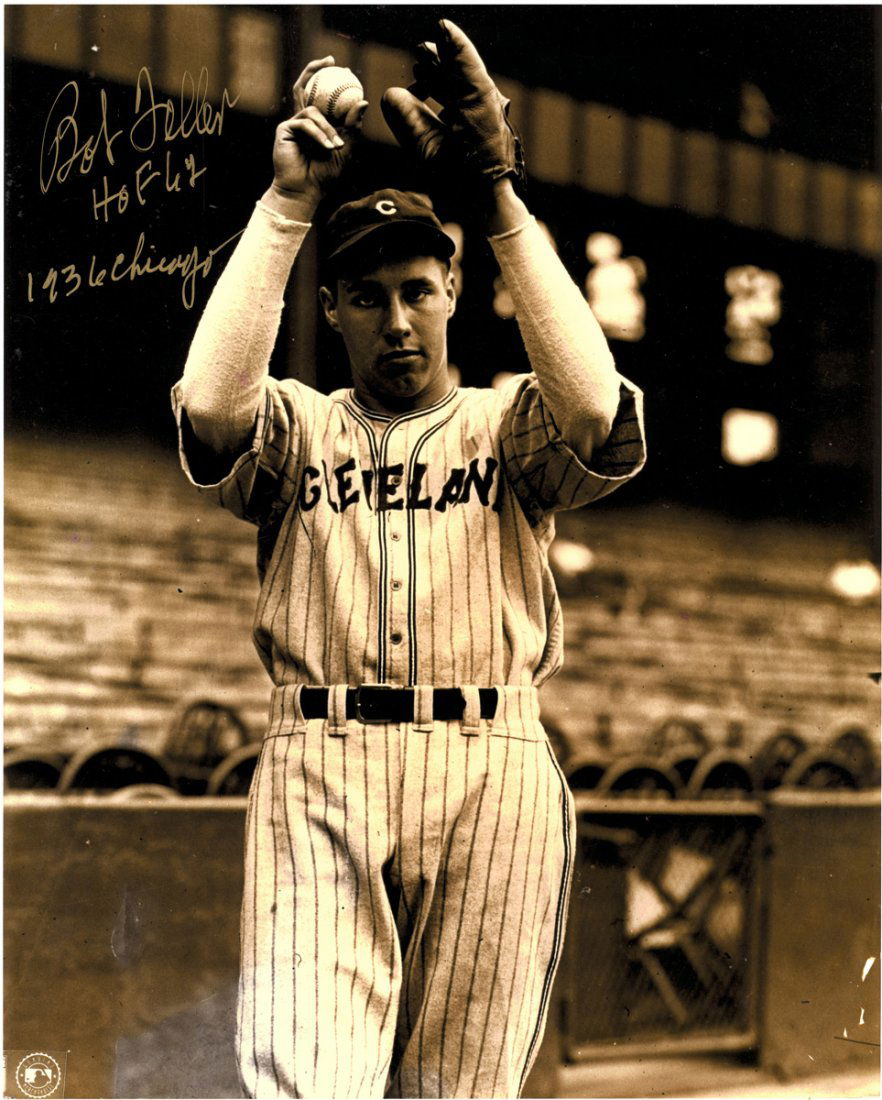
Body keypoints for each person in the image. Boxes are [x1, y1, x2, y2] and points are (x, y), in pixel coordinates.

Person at [172, 20, 646, 1100]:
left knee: (459, 1090)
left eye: (418, 289)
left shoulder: (506, 424)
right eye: (370, 294)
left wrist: (499, 194)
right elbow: (208, 405)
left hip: (491, 763)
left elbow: (594, 409)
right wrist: (288, 203)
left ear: (453, 290)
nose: (397, 319)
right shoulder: (298, 425)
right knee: (308, 1081)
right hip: (321, 756)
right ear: (331, 308)